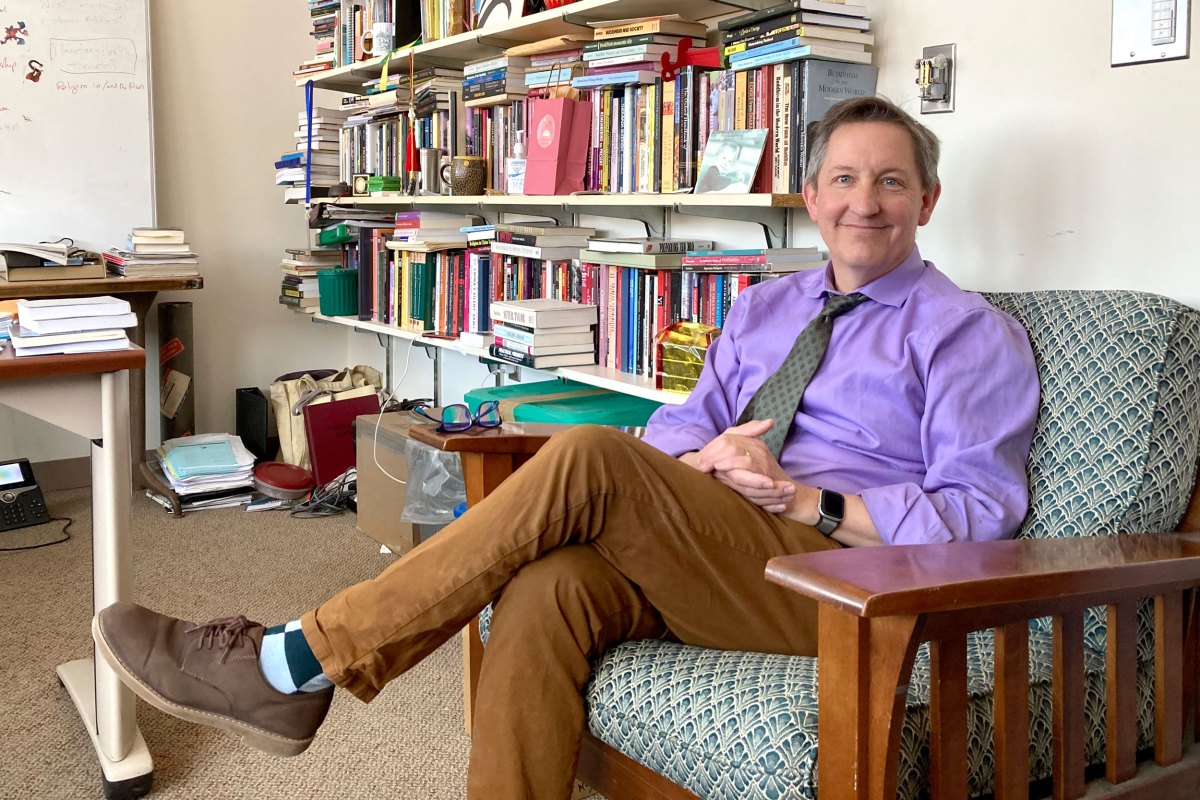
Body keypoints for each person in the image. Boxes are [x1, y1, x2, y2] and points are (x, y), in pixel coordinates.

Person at [93, 96, 1040, 799]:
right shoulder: (766, 306)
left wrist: (803, 500)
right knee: (548, 588)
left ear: (928, 199)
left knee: (592, 454)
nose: (865, 202)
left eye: (890, 181)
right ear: (812, 195)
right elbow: (682, 423)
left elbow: (976, 518)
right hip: (719, 546)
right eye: (844, 179)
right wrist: (697, 469)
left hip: (844, 582)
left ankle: (293, 663)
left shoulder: (967, 333)